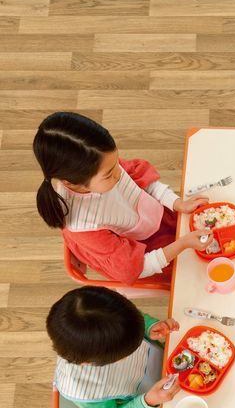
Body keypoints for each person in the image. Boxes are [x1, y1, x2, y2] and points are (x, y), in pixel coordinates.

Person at [33, 111, 212, 287]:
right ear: (71, 183)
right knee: (198, 277)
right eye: (110, 174)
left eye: (117, 162)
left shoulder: (102, 164)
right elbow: (139, 266)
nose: (120, 173)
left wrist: (178, 203)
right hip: (149, 253)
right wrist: (183, 244)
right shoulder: (84, 228)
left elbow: (144, 183)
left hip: (160, 219)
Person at [48, 286, 180, 408]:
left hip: (164, 361)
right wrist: (148, 401)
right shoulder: (82, 390)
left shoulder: (108, 313)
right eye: (129, 351)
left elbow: (129, 319)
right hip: (143, 407)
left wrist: (149, 326)